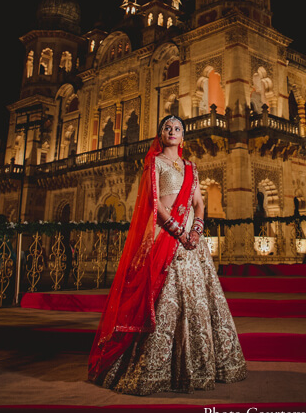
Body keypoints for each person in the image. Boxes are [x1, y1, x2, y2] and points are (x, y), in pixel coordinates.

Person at [88, 115, 246, 395]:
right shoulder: (155, 164)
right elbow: (154, 203)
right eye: (167, 128)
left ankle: (197, 366)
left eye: (177, 129)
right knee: (165, 300)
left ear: (183, 136)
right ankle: (156, 369)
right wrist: (178, 232)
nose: (172, 131)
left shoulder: (191, 167)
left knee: (198, 301)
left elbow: (198, 203)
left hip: (192, 242)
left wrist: (196, 230)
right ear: (160, 135)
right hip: (166, 237)